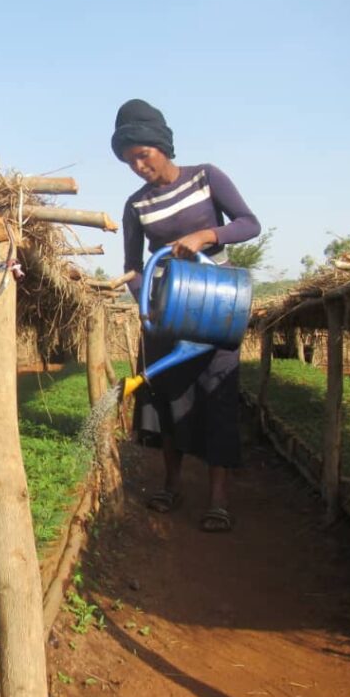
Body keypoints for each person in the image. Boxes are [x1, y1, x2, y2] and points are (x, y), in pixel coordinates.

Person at [112, 98, 261, 532]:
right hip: (167, 318)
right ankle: (171, 483)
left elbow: (249, 223)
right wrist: (147, 309)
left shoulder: (206, 178)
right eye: (129, 160)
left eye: (143, 154)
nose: (138, 165)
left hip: (216, 310)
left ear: (162, 145)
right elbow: (134, 268)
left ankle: (218, 499)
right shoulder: (136, 205)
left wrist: (206, 234)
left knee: (218, 400)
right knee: (168, 401)